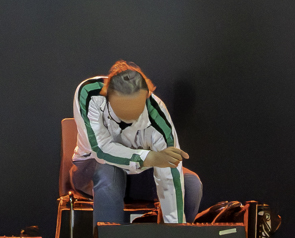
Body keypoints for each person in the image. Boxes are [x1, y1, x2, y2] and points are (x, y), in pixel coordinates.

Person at [69, 61, 203, 228]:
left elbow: (170, 173)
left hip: (139, 174)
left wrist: (175, 230)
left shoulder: (158, 115)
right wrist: (149, 157)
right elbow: (100, 150)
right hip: (91, 167)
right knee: (109, 175)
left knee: (190, 184)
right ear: (107, 95)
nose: (129, 119)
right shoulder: (89, 93)